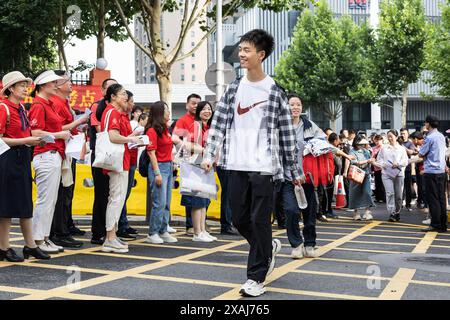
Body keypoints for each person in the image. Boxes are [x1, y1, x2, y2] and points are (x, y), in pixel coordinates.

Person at [201, 29, 302, 297]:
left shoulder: (274, 90)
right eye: (241, 49)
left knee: (259, 220)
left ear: (261, 55)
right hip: (235, 164)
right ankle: (266, 248)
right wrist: (209, 155)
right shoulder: (234, 88)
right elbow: (219, 124)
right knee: (239, 218)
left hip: (264, 167)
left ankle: (255, 277)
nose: (241, 54)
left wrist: (294, 170)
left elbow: (286, 133)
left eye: (247, 50)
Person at [0, 71, 50, 261]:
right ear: (10, 89)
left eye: (24, 84)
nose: (25, 88)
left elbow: (23, 135)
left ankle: (30, 246)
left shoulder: (21, 108)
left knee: (24, 203)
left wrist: (34, 141)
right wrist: (26, 140)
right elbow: (1, 139)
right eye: (20, 85)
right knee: (5, 205)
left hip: (22, 157)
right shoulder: (3, 107)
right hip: (6, 159)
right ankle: (4, 247)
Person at [29, 70, 70, 254]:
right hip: (46, 155)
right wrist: (59, 134)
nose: (56, 85)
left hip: (53, 155)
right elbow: (35, 133)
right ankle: (38, 239)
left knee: (50, 200)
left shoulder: (47, 103)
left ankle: (44, 237)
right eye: (53, 82)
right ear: (43, 85)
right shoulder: (38, 104)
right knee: (45, 200)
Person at [99, 84, 142, 253]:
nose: (126, 97)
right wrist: (131, 140)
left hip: (121, 160)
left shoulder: (116, 113)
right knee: (116, 198)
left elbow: (119, 136)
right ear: (113, 97)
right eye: (123, 94)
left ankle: (113, 235)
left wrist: (132, 138)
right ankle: (109, 238)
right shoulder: (112, 112)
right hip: (116, 161)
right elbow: (112, 136)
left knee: (118, 198)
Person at [49, 70, 88, 248]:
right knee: (61, 193)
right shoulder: (55, 102)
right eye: (67, 81)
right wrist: (78, 122)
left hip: (68, 151)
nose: (71, 83)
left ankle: (62, 229)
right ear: (56, 84)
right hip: (60, 151)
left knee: (66, 192)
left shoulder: (63, 102)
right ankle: (59, 232)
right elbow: (59, 128)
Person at [180, 101, 217, 242]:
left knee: (203, 200)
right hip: (194, 168)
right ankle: (197, 233)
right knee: (197, 201)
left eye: (209, 109)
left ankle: (202, 230)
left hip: (202, 167)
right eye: (204, 109)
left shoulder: (205, 127)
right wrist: (205, 152)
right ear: (198, 112)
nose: (207, 111)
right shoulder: (195, 126)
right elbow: (188, 145)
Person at [88, 78, 118, 244]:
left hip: (113, 155)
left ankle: (111, 230)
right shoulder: (97, 107)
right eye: (109, 87)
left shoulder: (116, 109)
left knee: (112, 194)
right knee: (101, 193)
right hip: (101, 154)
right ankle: (97, 232)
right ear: (104, 90)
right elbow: (102, 131)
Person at [145, 101, 178, 244]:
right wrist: (157, 173)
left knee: (167, 202)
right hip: (159, 167)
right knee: (159, 202)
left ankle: (163, 230)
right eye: (166, 110)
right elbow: (151, 153)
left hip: (168, 167)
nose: (168, 112)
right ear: (159, 112)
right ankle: (153, 232)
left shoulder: (164, 129)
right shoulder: (152, 130)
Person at [172, 93, 201, 235]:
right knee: (189, 193)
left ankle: (200, 225)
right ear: (187, 105)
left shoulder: (202, 121)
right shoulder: (182, 121)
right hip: (188, 161)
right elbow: (175, 139)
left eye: (198, 103)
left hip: (202, 161)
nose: (195, 106)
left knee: (202, 192)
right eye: (193, 103)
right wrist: (189, 146)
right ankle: (190, 225)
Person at [117, 90, 140, 240]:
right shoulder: (115, 115)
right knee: (119, 196)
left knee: (124, 195)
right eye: (129, 100)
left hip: (130, 159)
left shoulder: (124, 117)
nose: (131, 103)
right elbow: (117, 137)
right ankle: (118, 228)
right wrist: (132, 138)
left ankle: (123, 224)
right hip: (121, 160)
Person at [419, 115, 447, 233]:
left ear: (428, 124)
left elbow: (421, 153)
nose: (425, 125)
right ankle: (442, 224)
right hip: (441, 170)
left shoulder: (429, 138)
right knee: (441, 198)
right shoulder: (441, 136)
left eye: (425, 123)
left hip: (431, 171)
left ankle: (435, 224)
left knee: (433, 199)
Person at [374, 129, 409, 222]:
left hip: (399, 174)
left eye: (391, 136)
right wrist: (384, 164)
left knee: (399, 195)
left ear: (396, 137)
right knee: (390, 193)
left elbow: (406, 161)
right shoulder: (384, 148)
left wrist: (398, 163)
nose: (389, 138)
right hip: (386, 173)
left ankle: (397, 212)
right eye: (388, 136)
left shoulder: (401, 149)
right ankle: (392, 213)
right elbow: (379, 159)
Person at [348, 136, 375, 221]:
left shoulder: (366, 151)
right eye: (360, 144)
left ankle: (367, 212)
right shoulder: (352, 151)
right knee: (355, 193)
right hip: (356, 174)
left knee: (367, 192)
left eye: (363, 144)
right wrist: (368, 161)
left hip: (366, 174)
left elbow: (370, 161)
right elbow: (355, 163)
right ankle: (356, 212)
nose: (362, 145)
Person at [400, 128, 416, 211]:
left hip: (407, 168)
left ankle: (408, 204)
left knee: (408, 187)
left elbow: (411, 152)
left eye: (404, 133)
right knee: (400, 187)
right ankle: (400, 203)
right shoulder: (397, 143)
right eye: (401, 133)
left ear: (408, 134)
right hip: (398, 168)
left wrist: (402, 146)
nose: (403, 135)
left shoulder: (410, 143)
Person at [371, 134, 386, 203]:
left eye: (378, 141)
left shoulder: (385, 147)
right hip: (376, 167)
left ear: (382, 140)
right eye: (376, 141)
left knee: (383, 183)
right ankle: (378, 197)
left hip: (383, 167)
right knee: (377, 183)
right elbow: (372, 157)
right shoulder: (373, 148)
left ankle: (383, 197)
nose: (377, 142)